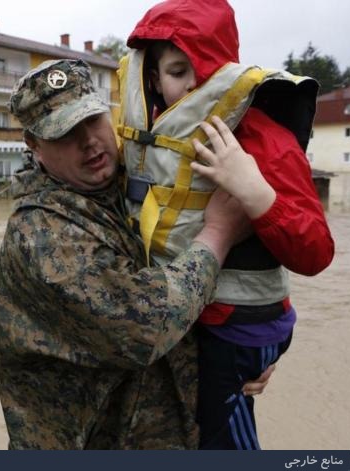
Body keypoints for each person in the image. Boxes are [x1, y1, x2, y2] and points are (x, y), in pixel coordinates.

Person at [0, 59, 270, 449]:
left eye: (92, 119)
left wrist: (249, 349)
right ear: (34, 145)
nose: (88, 140)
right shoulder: (40, 234)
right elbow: (150, 325)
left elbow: (212, 281)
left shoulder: (139, 183)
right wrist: (218, 235)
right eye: (65, 133)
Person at [119, 0, 335, 449]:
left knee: (222, 443)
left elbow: (316, 252)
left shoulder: (262, 141)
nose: (194, 85)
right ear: (154, 78)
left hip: (236, 329)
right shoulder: (144, 135)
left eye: (206, 71)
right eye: (178, 71)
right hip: (187, 321)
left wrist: (254, 192)